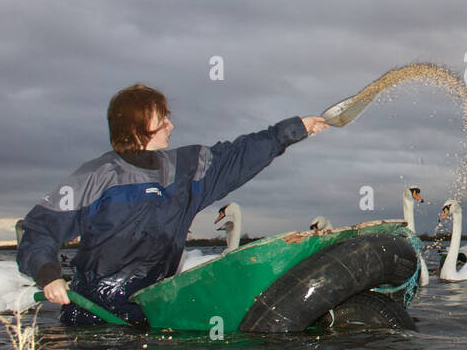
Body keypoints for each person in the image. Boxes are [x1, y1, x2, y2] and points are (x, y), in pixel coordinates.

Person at [18, 84, 328, 326]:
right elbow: (39, 229)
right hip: (93, 317)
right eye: (162, 117)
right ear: (137, 123)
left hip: (151, 312)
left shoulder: (185, 169)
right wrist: (49, 275)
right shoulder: (96, 176)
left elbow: (238, 155)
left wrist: (293, 129)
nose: (171, 125)